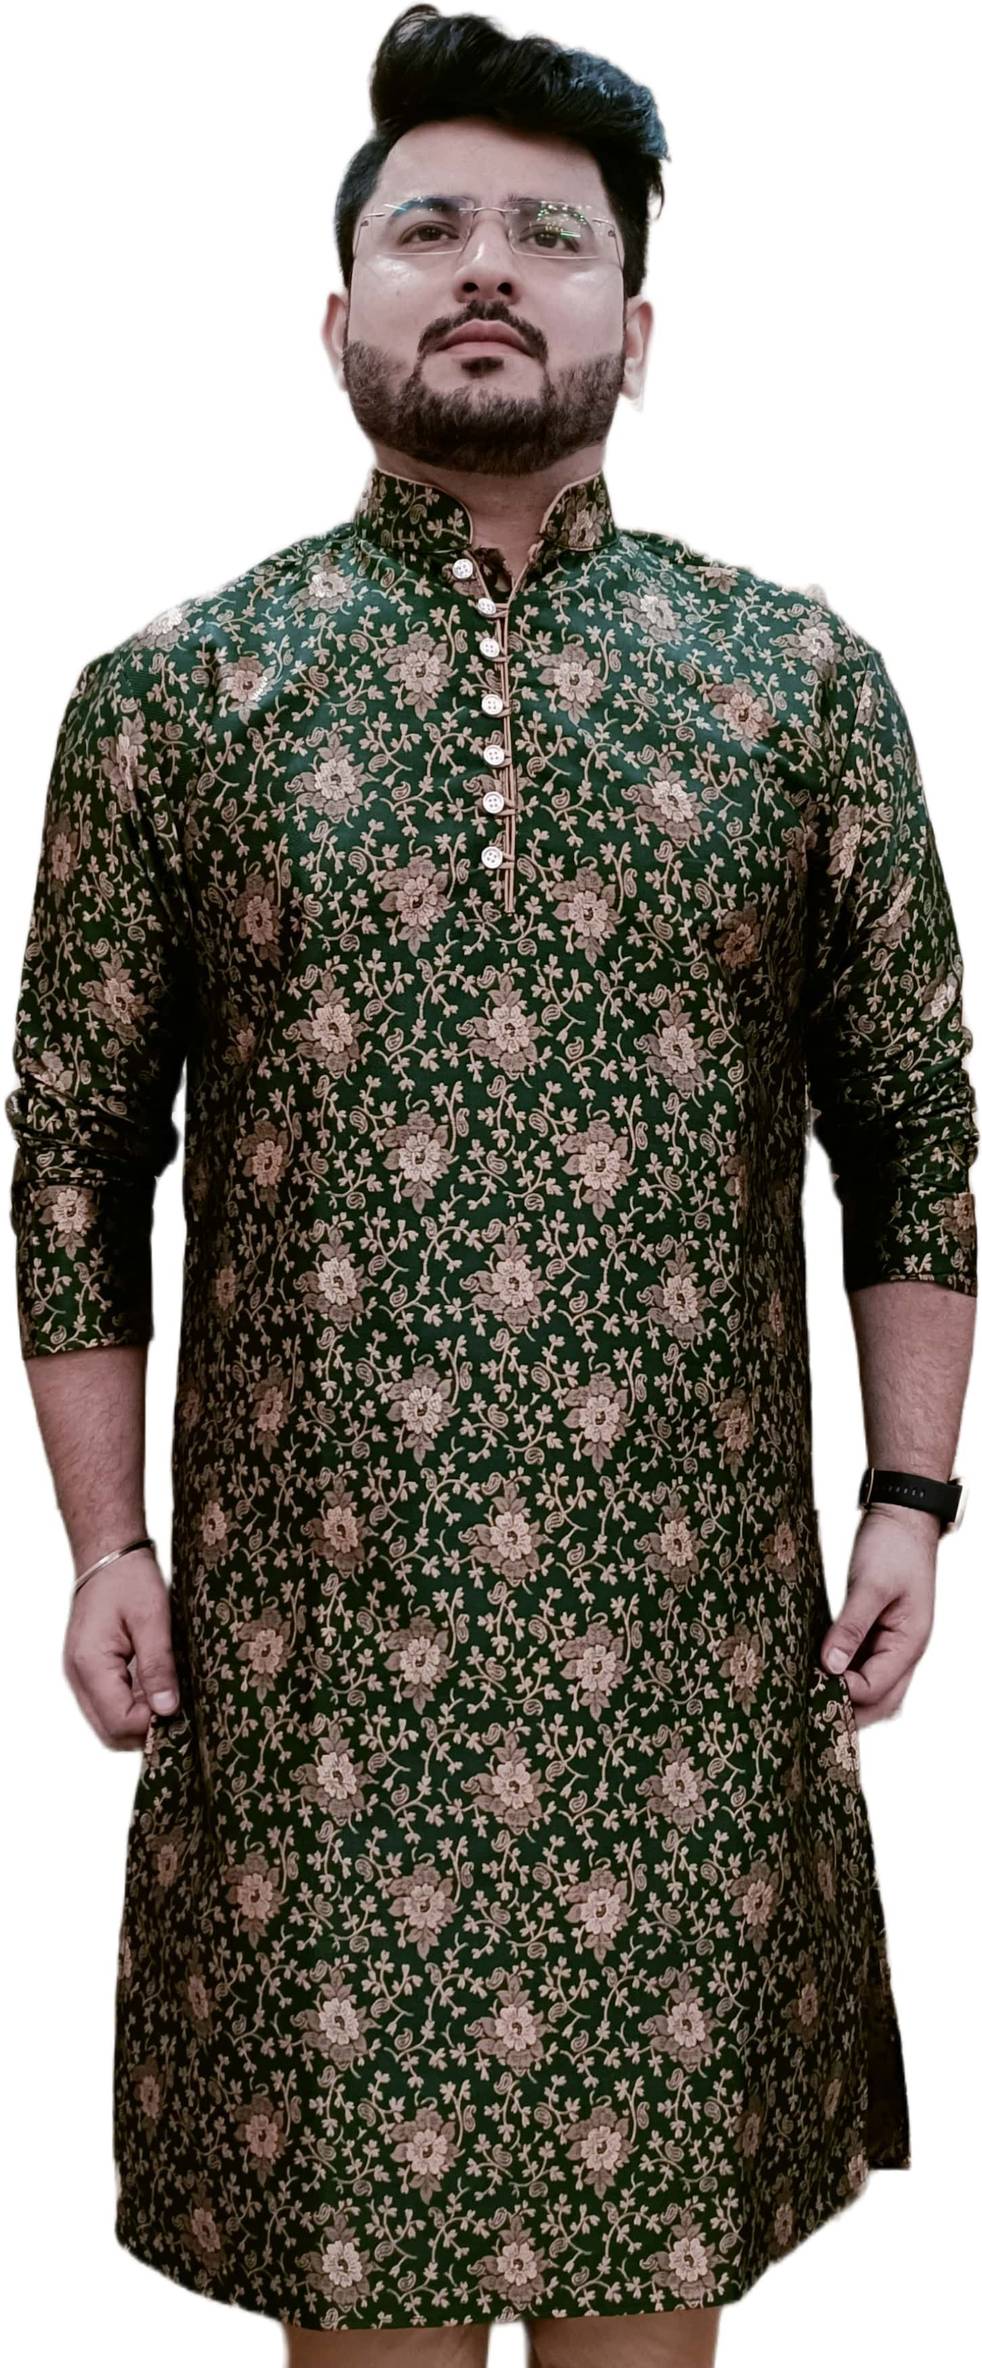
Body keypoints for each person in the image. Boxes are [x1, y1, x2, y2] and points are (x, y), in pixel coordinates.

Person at [6, 6, 977, 2364]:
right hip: (312, 1689)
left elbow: (910, 1118)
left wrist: (907, 1496)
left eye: (550, 237)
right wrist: (106, 1541)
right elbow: (71, 1144)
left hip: (683, 1689)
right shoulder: (179, 697)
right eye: (426, 226)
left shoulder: (791, 685)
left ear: (635, 328)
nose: (484, 269)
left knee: (651, 2319)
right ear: (332, 309)